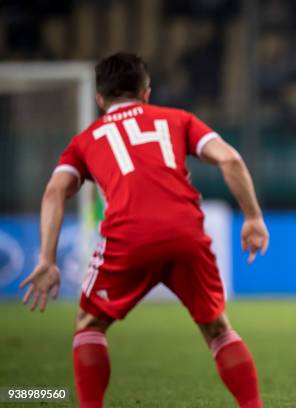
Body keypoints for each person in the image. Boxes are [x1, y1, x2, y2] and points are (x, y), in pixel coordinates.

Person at [19, 52, 269, 407]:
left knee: (89, 326)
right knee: (217, 329)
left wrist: (46, 258)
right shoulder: (177, 119)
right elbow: (229, 158)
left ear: (99, 99)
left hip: (128, 238)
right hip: (186, 233)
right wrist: (253, 218)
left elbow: (55, 191)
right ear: (147, 92)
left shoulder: (85, 140)